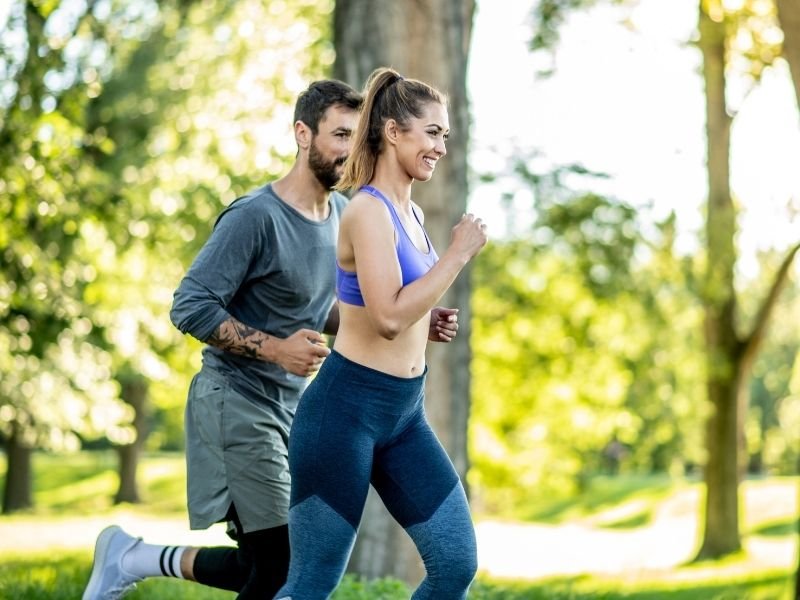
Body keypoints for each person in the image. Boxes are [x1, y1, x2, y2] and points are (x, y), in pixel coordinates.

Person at [81, 79, 366, 600]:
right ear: (303, 134)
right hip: (236, 404)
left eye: (358, 136)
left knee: (269, 563)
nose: (351, 151)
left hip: (292, 414)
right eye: (340, 134)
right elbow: (190, 307)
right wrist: (278, 349)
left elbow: (316, 307)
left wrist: (404, 320)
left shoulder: (341, 216)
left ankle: (134, 557)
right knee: (284, 566)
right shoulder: (255, 216)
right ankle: (131, 556)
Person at [274, 67, 489, 600]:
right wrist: (458, 253)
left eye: (445, 135)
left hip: (403, 416)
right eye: (433, 132)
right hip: (342, 416)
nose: (441, 146)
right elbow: (390, 318)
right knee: (310, 583)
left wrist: (429, 318)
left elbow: (391, 305)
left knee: (455, 562)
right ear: (394, 132)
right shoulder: (368, 210)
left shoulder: (411, 211)